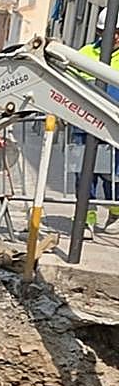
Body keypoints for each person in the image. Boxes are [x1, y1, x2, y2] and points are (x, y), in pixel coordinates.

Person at [72, 14, 119, 238]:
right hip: (85, 125)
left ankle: (116, 213)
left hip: (115, 128)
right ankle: (85, 218)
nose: (114, 37)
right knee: (84, 173)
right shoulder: (85, 55)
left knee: (115, 174)